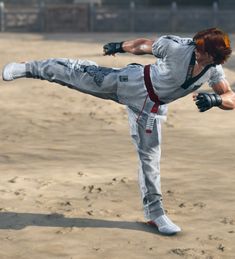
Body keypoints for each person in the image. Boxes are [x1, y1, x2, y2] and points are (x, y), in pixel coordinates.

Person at [2, 28, 234, 235]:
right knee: (78, 74)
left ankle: (155, 214)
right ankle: (28, 68)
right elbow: (144, 45)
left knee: (150, 160)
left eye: (202, 50)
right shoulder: (178, 47)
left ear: (214, 57)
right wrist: (119, 46)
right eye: (197, 46)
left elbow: (230, 98)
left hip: (150, 110)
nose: (196, 51)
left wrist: (215, 100)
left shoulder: (213, 72)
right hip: (131, 81)